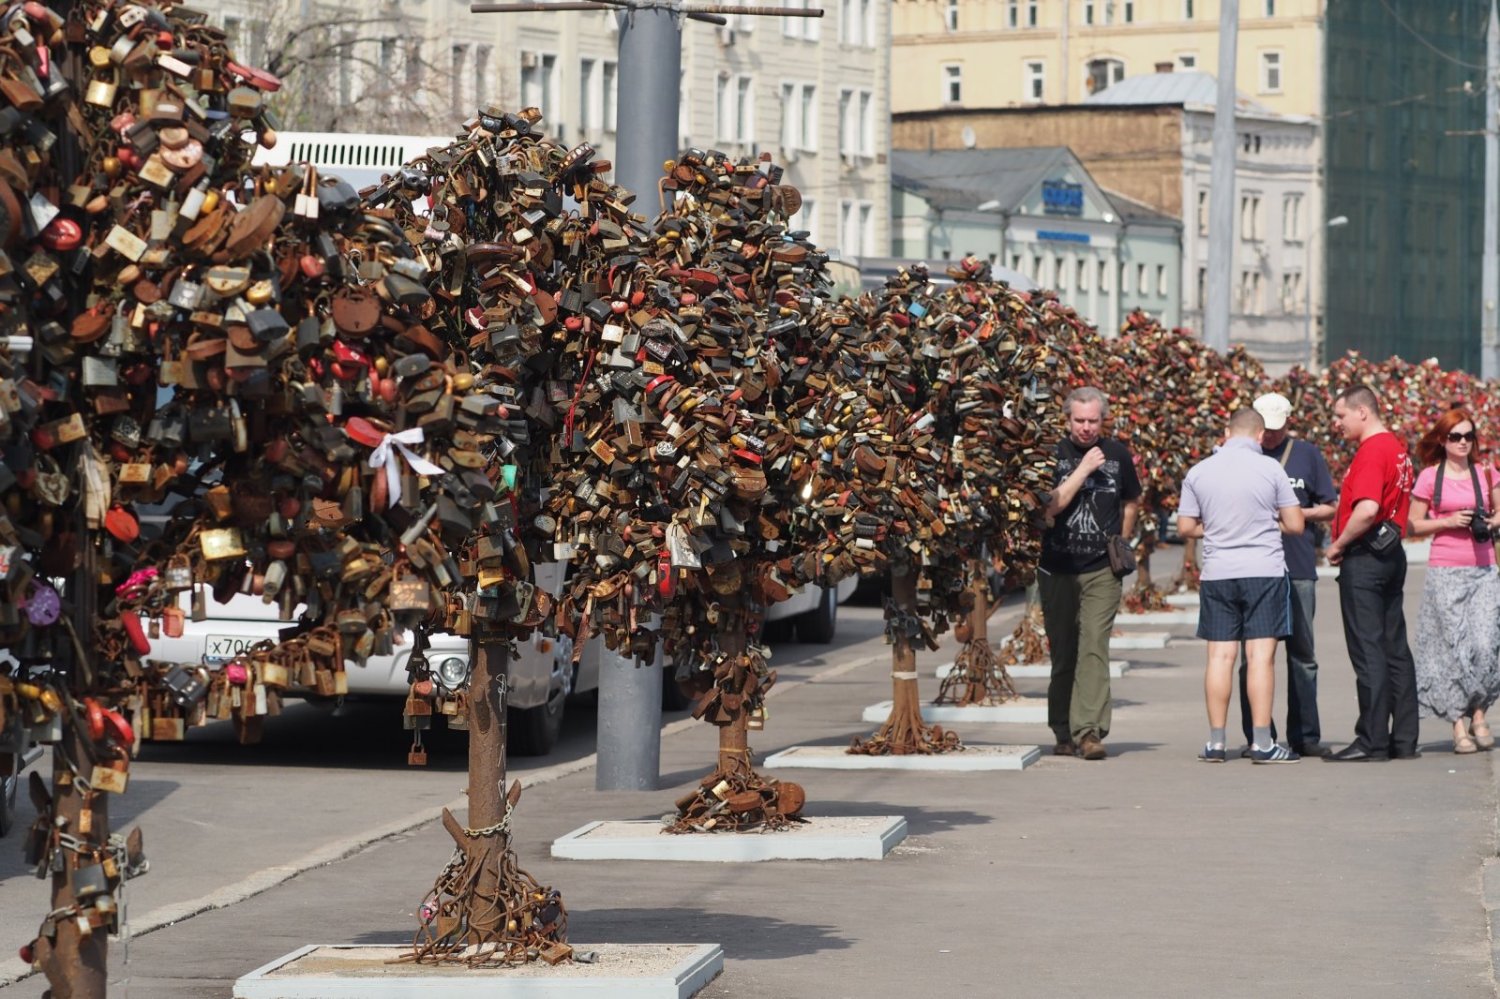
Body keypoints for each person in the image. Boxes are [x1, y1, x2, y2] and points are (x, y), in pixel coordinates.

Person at [1177, 407, 1306, 764]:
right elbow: (1295, 524)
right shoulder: (1270, 469)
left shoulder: (1199, 471)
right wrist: (1263, 526)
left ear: (1226, 431)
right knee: (1260, 657)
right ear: (1261, 435)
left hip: (1218, 572)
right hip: (1263, 570)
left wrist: (1217, 529)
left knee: (1219, 656)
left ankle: (1216, 741)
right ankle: (1263, 743)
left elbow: (1186, 528)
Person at [1232, 392, 1339, 757]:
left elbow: (1330, 506)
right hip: (1254, 570)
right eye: (1266, 429)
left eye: (1278, 429)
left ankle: (1305, 734)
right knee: (1254, 657)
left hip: (1297, 568)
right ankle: (1258, 734)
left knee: (1303, 655)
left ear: (1288, 423)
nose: (1272, 436)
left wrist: (1296, 514)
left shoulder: (1307, 455)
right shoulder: (1243, 456)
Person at [1039, 386, 1142, 761]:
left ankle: (1090, 732)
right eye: (1079, 421)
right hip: (1057, 567)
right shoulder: (1053, 454)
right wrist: (1083, 468)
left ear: (1103, 419)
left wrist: (1122, 540)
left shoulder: (1117, 454)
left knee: (1094, 647)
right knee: (1064, 650)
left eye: (1093, 421)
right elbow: (1050, 507)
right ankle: (1063, 730)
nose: (1086, 428)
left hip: (1101, 569)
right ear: (1067, 419)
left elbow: (1131, 499)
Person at [1324, 384, 1419, 762]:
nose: (1337, 423)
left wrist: (1338, 544)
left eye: (1340, 415)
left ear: (1363, 412)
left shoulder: (1371, 451)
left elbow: (1366, 509)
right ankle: (1404, 738)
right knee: (1394, 646)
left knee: (1368, 649)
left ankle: (1372, 740)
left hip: (1365, 558)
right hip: (1391, 553)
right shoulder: (1397, 449)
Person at [1405, 410, 1500, 753]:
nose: (1463, 442)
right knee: (1452, 650)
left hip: (1484, 568)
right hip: (1445, 570)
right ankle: (1460, 723)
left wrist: (1489, 522)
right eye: (1455, 436)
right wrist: (1447, 522)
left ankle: (1479, 711)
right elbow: (1412, 525)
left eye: (1468, 436)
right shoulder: (1430, 477)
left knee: (1485, 644)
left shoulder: (1486, 473)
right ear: (1443, 440)